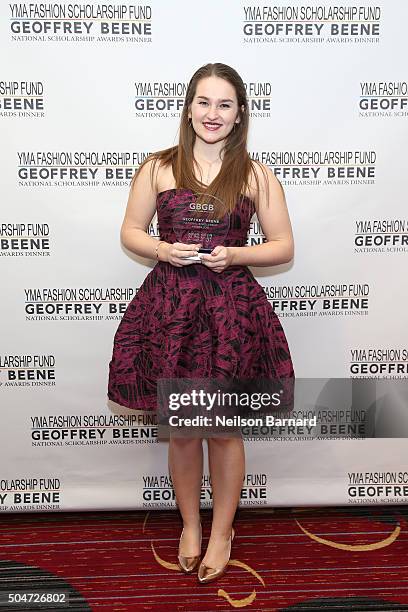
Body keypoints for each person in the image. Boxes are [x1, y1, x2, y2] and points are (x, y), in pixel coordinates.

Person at [108, 62, 294, 583]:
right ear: (189, 108)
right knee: (184, 433)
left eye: (225, 105)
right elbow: (130, 230)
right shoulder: (157, 168)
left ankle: (222, 532)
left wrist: (236, 254)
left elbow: (283, 246)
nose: (213, 114)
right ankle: (190, 525)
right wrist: (162, 247)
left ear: (239, 116)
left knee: (224, 432)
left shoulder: (256, 175)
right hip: (171, 312)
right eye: (204, 102)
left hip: (230, 314)